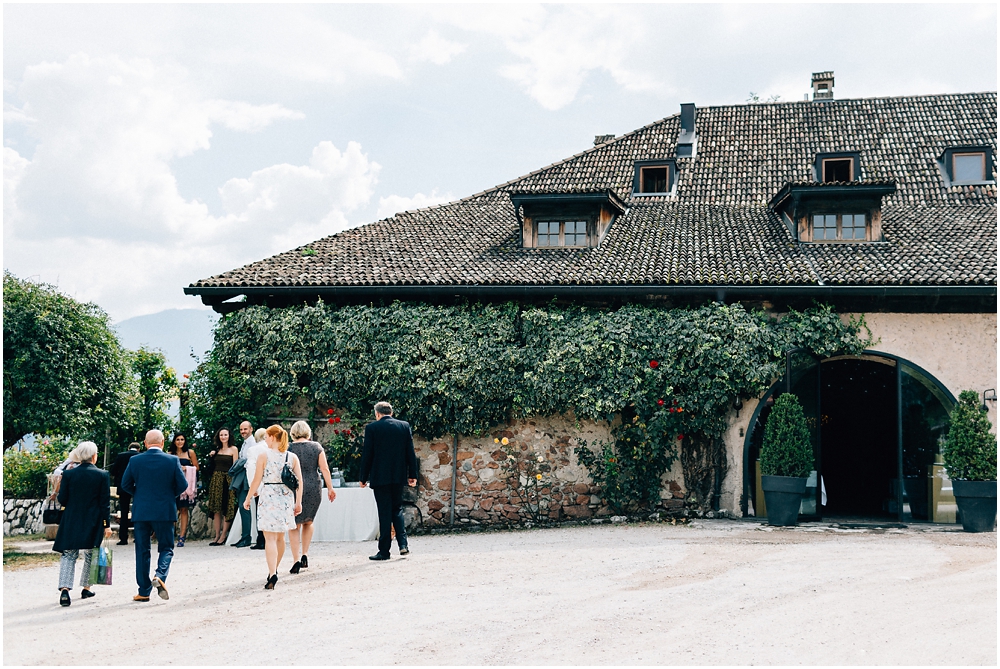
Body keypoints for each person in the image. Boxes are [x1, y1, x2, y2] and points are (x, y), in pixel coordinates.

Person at [120, 430, 188, 602]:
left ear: (145, 443)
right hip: (164, 510)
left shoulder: (135, 460)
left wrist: (140, 494)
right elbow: (183, 484)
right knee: (166, 547)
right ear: (163, 442)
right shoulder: (172, 460)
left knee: (142, 550)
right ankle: (160, 576)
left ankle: (143, 591)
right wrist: (167, 495)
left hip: (141, 511)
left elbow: (125, 484)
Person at [52, 442, 112, 607]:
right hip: (93, 520)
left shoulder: (69, 475)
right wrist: (107, 525)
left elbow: (62, 498)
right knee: (91, 554)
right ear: (94, 456)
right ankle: (86, 587)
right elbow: (104, 503)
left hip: (71, 519)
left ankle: (65, 590)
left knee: (69, 555)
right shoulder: (102, 475)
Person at [243, 425, 302, 589]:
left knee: (269, 538)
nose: (265, 440)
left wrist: (248, 498)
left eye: (266, 437)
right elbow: (299, 482)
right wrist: (299, 502)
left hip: (268, 495)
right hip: (285, 497)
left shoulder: (264, 455)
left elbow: (256, 480)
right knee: (280, 538)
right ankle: (274, 569)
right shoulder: (292, 457)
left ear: (272, 437)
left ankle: (273, 573)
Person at [360, 401, 417, 561]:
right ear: (391, 412)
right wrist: (412, 474)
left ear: (377, 414)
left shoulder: (372, 428)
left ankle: (384, 551)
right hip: (398, 476)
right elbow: (410, 452)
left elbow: (367, 454)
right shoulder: (404, 426)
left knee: (384, 513)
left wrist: (363, 477)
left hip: (380, 477)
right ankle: (403, 544)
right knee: (397, 509)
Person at [287, 421, 336, 573]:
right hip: (313, 485)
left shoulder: (288, 448)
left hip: (294, 487)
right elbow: (324, 468)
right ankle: (305, 554)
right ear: (308, 432)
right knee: (308, 521)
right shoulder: (316, 447)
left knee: (294, 524)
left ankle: (295, 559)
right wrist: (330, 488)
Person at [206, 427, 239, 545]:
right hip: (216, 480)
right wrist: (212, 456)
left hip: (228, 479)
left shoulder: (233, 449)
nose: (223, 437)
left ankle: (224, 535)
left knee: (226, 507)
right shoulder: (217, 450)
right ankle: (217, 535)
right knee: (216, 509)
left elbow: (236, 466)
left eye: (225, 435)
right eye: (221, 435)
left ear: (229, 436)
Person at [167, 433, 198, 547]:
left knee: (184, 510)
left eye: (182, 439)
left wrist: (187, 468)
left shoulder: (190, 453)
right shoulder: (170, 454)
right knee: (172, 510)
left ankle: (182, 536)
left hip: (185, 486)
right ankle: (170, 534)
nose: (180, 442)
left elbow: (197, 467)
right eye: (178, 439)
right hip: (172, 486)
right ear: (174, 441)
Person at [110, 443, 142, 545]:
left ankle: (123, 538)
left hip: (123, 487)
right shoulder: (140, 456)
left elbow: (113, 471)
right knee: (138, 511)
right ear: (138, 449)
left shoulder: (121, 456)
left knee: (124, 512)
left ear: (129, 448)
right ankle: (138, 537)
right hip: (138, 487)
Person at [232, 421, 255, 547]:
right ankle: (245, 536)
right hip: (243, 476)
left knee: (244, 507)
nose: (243, 432)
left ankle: (246, 537)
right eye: (241, 429)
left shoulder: (252, 443)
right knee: (242, 507)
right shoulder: (245, 443)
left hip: (247, 478)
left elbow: (249, 462)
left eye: (245, 429)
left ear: (251, 429)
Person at [246, 428, 269, 550]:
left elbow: (251, 469)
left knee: (260, 514)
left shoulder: (253, 450)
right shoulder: (272, 448)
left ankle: (261, 540)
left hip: (259, 486)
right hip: (272, 486)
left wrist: (252, 487)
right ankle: (270, 539)